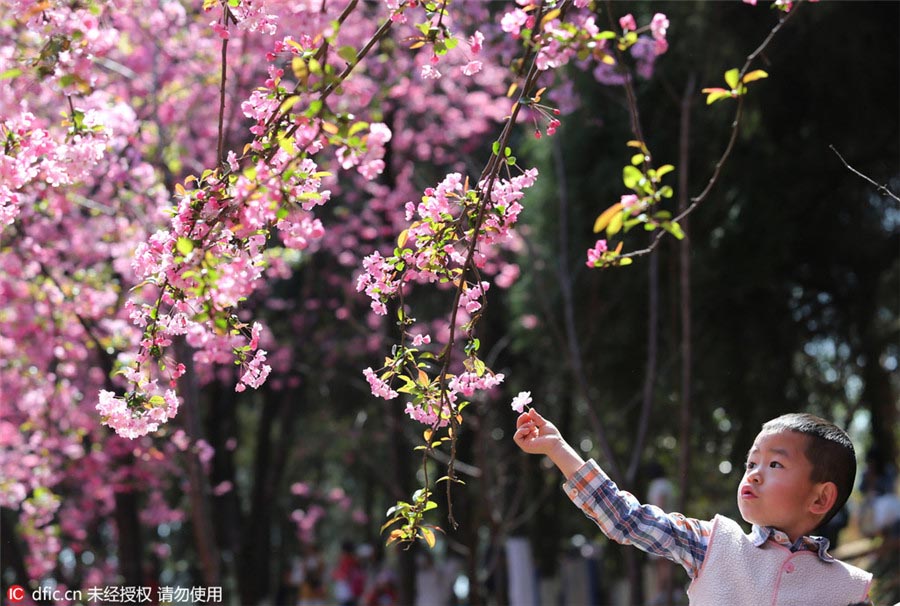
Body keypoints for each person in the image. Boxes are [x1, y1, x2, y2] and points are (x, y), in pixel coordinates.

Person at [513, 409, 873, 605]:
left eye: (775, 464)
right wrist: (558, 449)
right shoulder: (713, 543)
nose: (754, 474)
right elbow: (627, 519)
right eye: (751, 463)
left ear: (820, 499)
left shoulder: (848, 588)